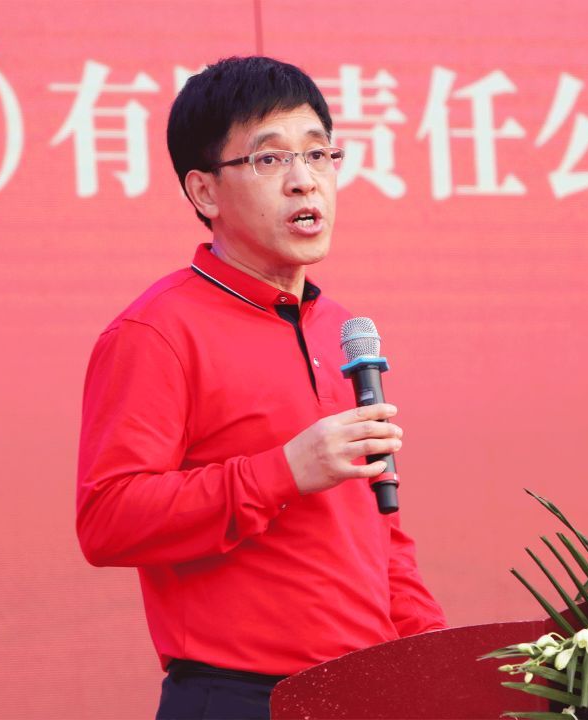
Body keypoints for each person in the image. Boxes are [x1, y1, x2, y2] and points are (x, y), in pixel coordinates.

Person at [75, 56, 447, 720]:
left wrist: (436, 663)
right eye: (270, 159)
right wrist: (283, 471)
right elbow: (107, 520)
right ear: (204, 193)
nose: (305, 180)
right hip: (239, 696)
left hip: (369, 693)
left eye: (318, 154)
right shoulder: (156, 331)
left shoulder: (341, 331)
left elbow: (380, 536)